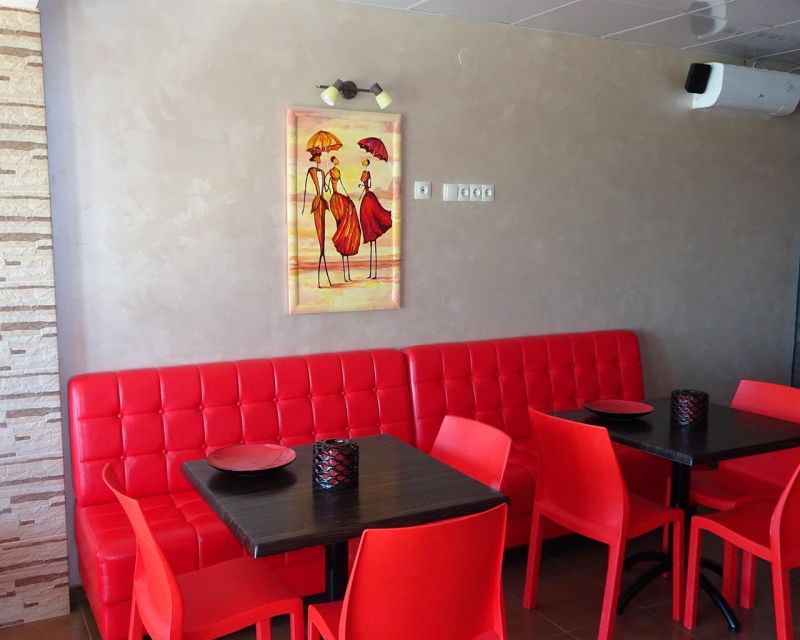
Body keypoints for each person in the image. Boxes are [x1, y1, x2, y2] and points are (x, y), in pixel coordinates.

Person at [301, 151, 332, 288]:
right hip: (317, 202)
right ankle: (321, 255)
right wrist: (303, 204)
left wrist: (327, 180)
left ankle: (323, 254)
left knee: (323, 232)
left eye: (320, 157)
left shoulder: (323, 172)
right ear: (314, 159)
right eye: (318, 157)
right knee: (319, 230)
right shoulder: (312, 170)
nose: (320, 159)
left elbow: (326, 188)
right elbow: (306, 186)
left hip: (323, 202)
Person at [328, 156, 361, 282]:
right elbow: (328, 187)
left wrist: (347, 195)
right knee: (340, 225)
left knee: (343, 223)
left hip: (338, 197)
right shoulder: (331, 171)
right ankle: (345, 272)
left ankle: (346, 271)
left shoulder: (337, 171)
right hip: (335, 198)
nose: (337, 161)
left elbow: (340, 184)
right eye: (335, 160)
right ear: (332, 161)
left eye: (337, 160)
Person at [358, 158, 392, 279]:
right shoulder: (364, 172)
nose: (364, 163)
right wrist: (362, 184)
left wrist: (364, 183)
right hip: (366, 196)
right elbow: (362, 182)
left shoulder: (367, 173)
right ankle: (372, 272)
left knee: (373, 237)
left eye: (365, 162)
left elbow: (368, 183)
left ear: (367, 163)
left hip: (369, 197)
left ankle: (374, 273)